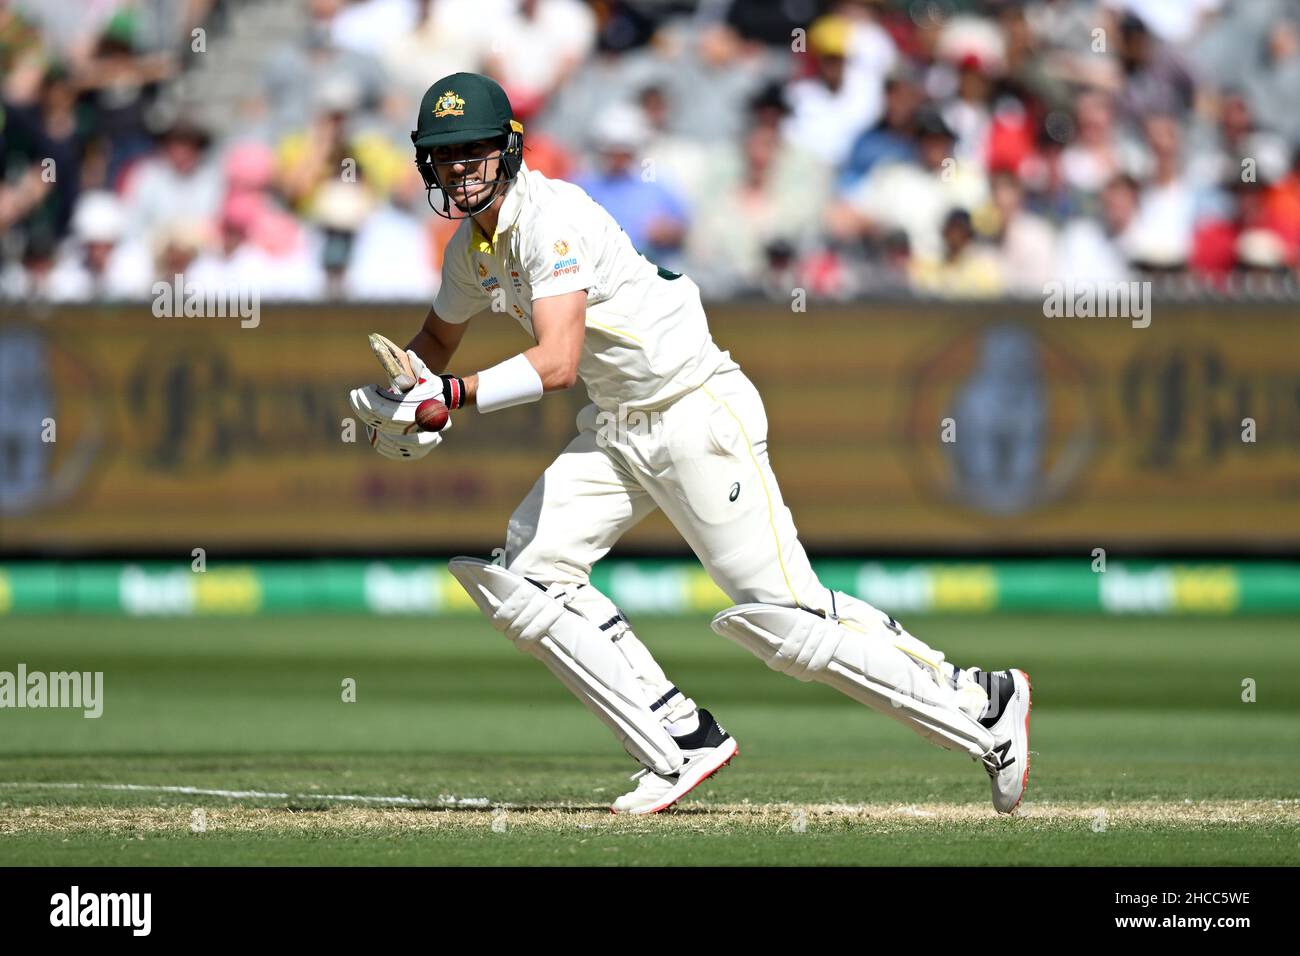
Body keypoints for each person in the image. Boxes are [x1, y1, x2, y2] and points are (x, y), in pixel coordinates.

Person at [348, 73, 1031, 815]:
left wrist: (449, 396)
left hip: (692, 410)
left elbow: (557, 362)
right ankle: (679, 737)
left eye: (472, 153)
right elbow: (439, 338)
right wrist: (405, 387)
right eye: (444, 157)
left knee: (785, 619)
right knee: (529, 577)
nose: (458, 170)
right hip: (616, 424)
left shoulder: (553, 220)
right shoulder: (471, 248)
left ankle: (981, 708)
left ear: (508, 151)